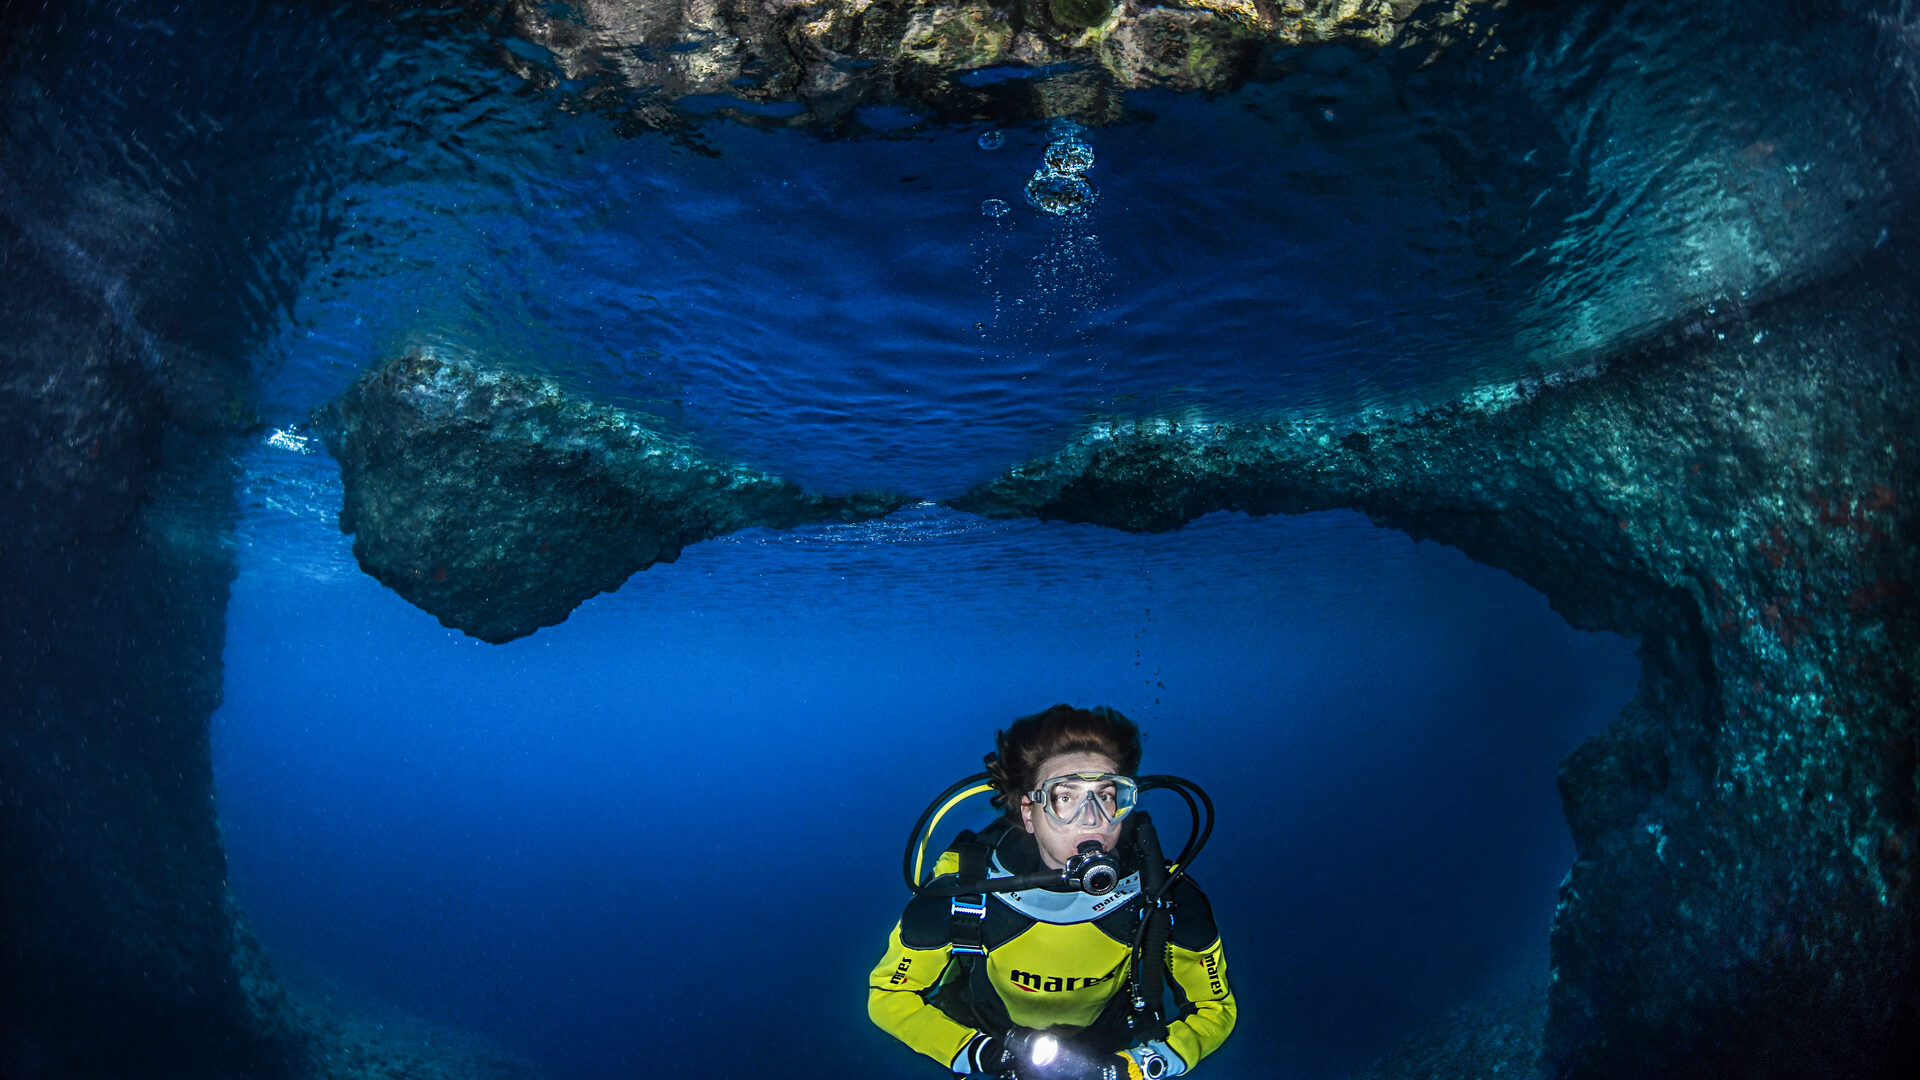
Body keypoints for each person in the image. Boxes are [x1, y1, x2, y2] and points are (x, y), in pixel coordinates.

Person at [869, 705, 1236, 1080]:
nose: (1092, 818)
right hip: (991, 1043)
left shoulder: (1163, 893)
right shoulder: (962, 889)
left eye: (1107, 795)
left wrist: (1132, 1068)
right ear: (1029, 812)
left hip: (1109, 1050)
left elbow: (1215, 1008)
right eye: (1065, 797)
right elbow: (890, 996)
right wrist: (979, 1054)